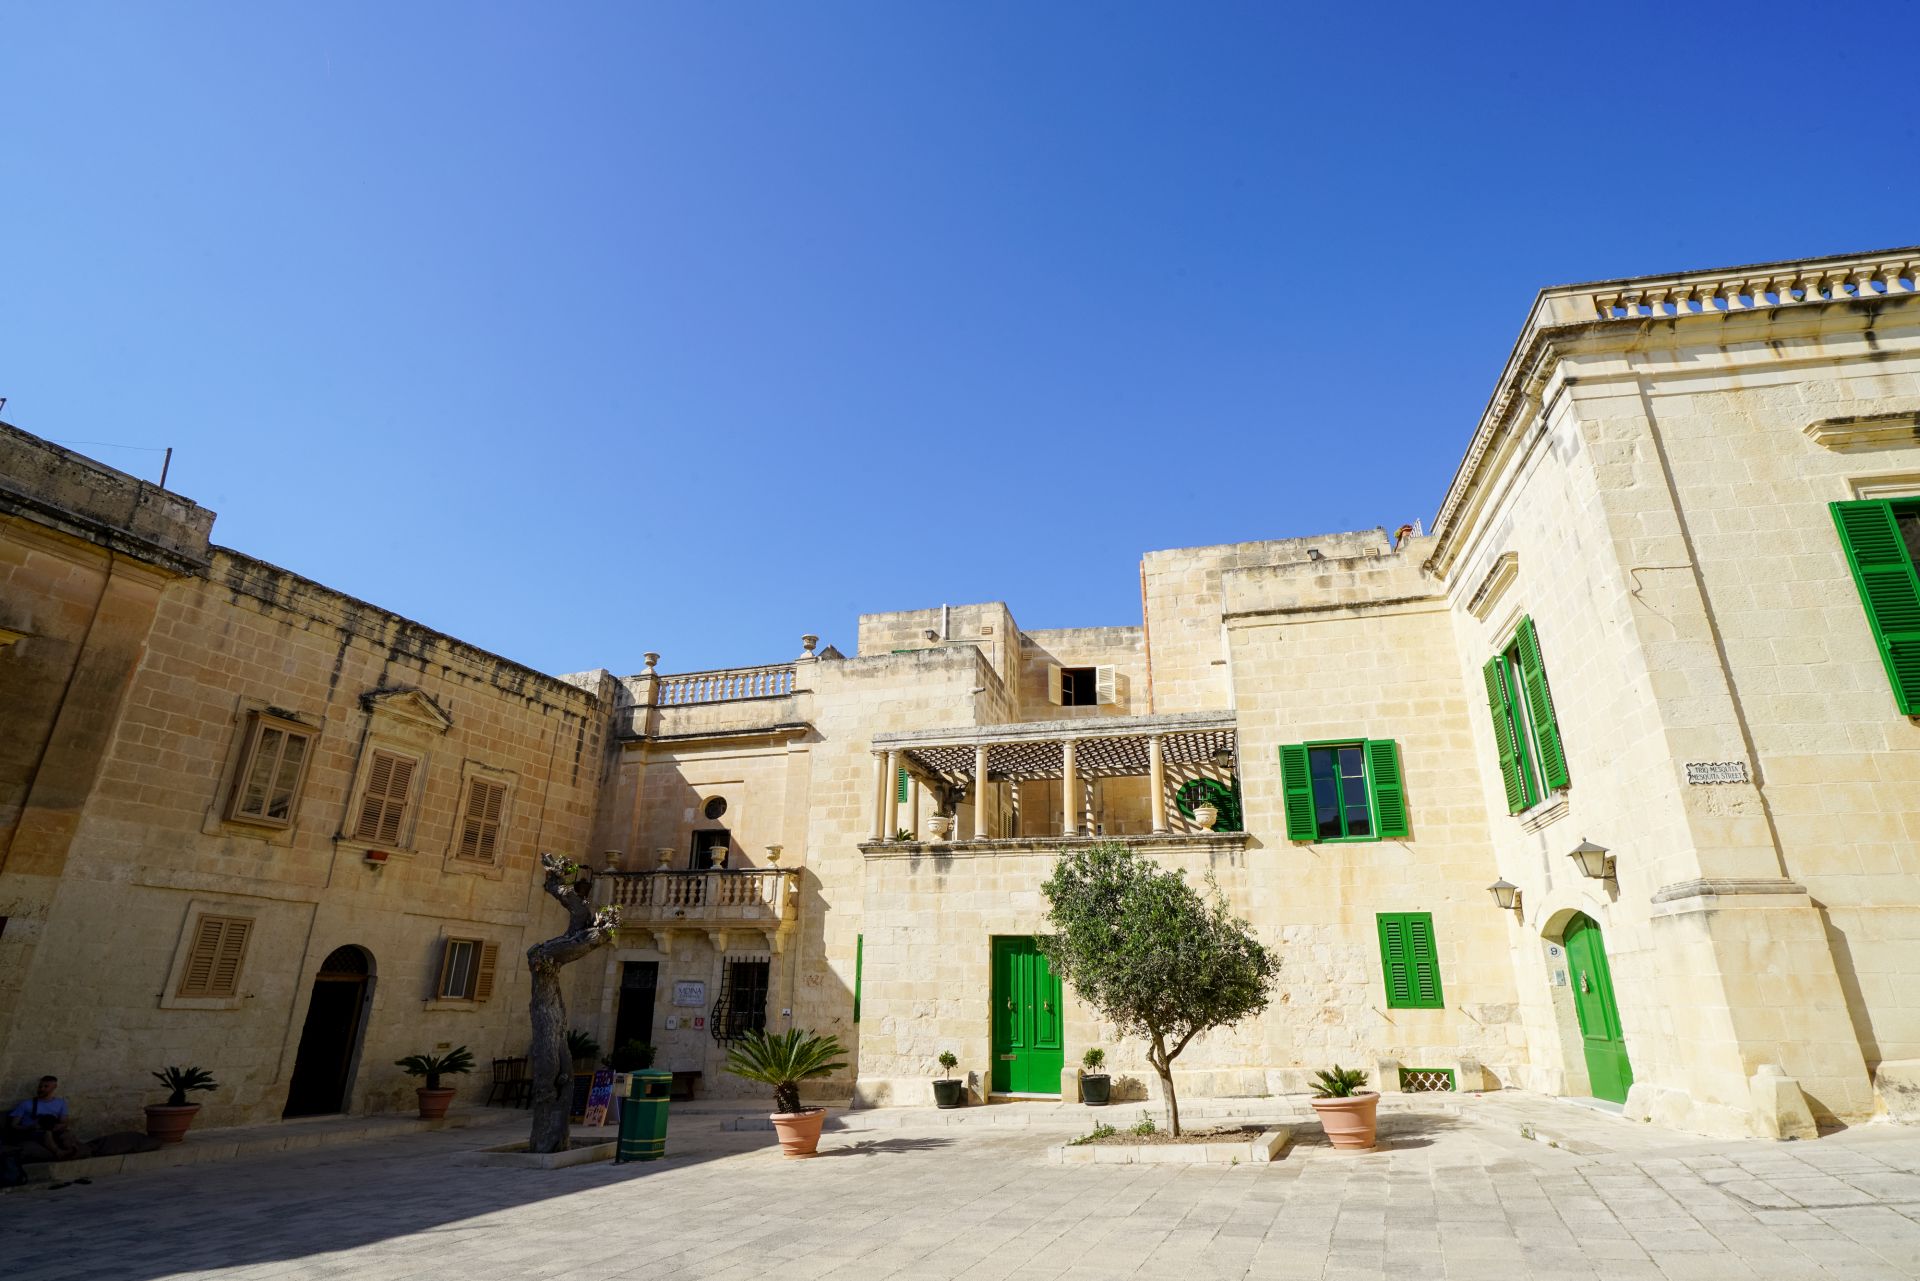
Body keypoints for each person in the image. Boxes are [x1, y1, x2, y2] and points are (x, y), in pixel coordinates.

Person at [6, 1075, 84, 1161]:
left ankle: (71, 1152)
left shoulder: (61, 1103)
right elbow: (14, 1125)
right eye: (40, 1086)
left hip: (53, 1130)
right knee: (45, 1132)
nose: (41, 1089)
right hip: (33, 1131)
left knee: (67, 1134)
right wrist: (30, 1127)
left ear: (54, 1087)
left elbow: (64, 1122)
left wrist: (58, 1127)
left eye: (46, 1086)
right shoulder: (26, 1104)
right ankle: (59, 1153)